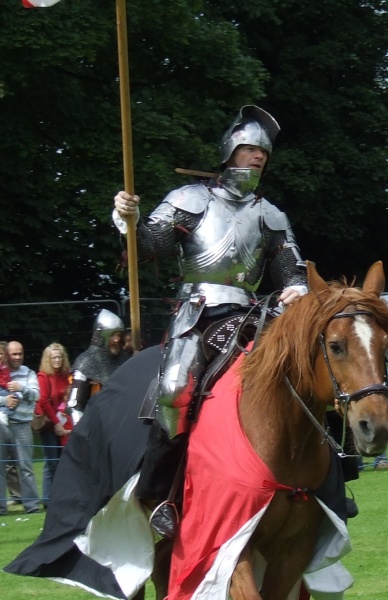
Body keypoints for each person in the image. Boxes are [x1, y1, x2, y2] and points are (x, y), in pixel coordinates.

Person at [113, 104, 308, 537]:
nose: (258, 157)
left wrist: (300, 289)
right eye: (251, 148)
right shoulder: (190, 199)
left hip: (253, 314)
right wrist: (128, 219)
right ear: (230, 151)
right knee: (174, 391)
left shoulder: (270, 214)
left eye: (264, 152)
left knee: (307, 375)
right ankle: (162, 493)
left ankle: (327, 481)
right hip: (197, 313)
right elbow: (150, 244)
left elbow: (291, 268)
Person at [68, 309, 129, 425]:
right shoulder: (86, 362)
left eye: (119, 335)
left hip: (122, 421)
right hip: (96, 423)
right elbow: (74, 405)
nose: (117, 339)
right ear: (100, 336)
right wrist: (83, 431)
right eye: (112, 335)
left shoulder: (125, 360)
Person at [0, 341, 41, 515]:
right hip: (1, 425)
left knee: (26, 467)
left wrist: (21, 388)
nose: (17, 357)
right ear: (6, 355)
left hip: (22, 426)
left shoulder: (28, 373)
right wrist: (4, 401)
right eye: (13, 354)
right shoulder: (1, 372)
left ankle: (31, 506)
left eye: (20, 354)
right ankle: (1, 507)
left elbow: (37, 395)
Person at [36, 343, 72, 506]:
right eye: (53, 357)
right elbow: (43, 401)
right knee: (51, 461)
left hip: (62, 421)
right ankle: (47, 499)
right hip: (49, 424)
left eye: (59, 357)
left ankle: (59, 496)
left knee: (62, 460)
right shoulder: (43, 376)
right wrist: (57, 423)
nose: (57, 360)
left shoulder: (65, 375)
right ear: (48, 359)